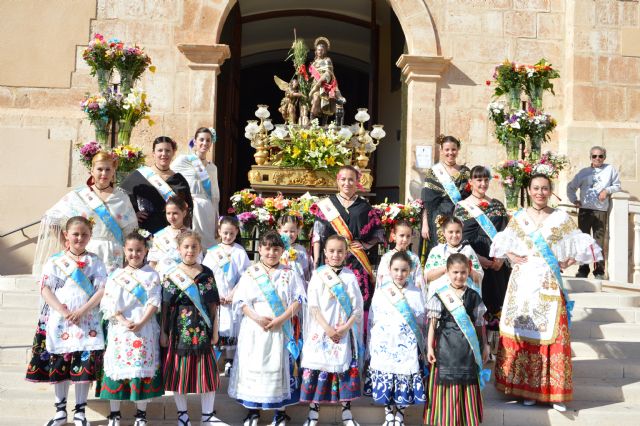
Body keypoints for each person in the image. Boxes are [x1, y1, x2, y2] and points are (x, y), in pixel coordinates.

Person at [490, 174, 603, 411]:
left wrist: (569, 260)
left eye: (544, 188)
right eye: (536, 188)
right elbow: (502, 244)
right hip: (522, 281)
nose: (540, 192)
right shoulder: (519, 218)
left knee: (554, 335)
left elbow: (579, 243)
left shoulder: (560, 218)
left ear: (550, 191)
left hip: (548, 282)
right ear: (529, 191)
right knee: (524, 332)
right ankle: (528, 389)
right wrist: (511, 256)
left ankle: (553, 393)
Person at [26, 216, 107, 426]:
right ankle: (60, 410)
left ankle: (80, 411)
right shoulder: (54, 261)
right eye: (76, 234)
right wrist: (62, 310)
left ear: (90, 236)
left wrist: (82, 310)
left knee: (83, 365)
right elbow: (45, 288)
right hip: (59, 320)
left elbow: (101, 290)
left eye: (84, 234)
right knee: (60, 363)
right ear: (66, 235)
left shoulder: (95, 261)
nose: (80, 238)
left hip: (86, 319)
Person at [228, 231, 306, 426]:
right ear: (260, 249)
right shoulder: (250, 273)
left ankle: (280, 413)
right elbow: (241, 301)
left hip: (281, 328)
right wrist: (256, 318)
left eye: (276, 249)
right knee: (255, 367)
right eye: (267, 248)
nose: (271, 252)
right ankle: (253, 412)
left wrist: (281, 319)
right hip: (255, 328)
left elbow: (299, 300)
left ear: (282, 251)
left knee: (279, 368)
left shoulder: (289, 273)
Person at [33, 151, 137, 275]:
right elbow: (51, 217)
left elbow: (131, 231)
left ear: (114, 171)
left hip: (114, 255)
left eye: (108, 169)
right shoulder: (79, 196)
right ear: (92, 171)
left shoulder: (121, 197)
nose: (104, 173)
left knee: (110, 292)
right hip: (85, 251)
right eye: (100, 169)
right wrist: (66, 243)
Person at [99, 231, 163, 426]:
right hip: (120, 330)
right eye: (130, 250)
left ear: (146, 251)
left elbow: (154, 301)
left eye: (139, 250)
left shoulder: (152, 275)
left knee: (140, 371)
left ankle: (141, 414)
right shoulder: (116, 275)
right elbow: (108, 301)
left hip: (144, 329)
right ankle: (115, 414)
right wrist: (122, 320)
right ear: (124, 251)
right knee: (116, 371)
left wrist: (142, 322)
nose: (134, 254)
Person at [299, 235, 363, 426]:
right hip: (321, 330)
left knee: (343, 370)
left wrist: (345, 327)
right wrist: (327, 329)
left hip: (343, 332)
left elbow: (357, 307)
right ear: (325, 252)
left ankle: (346, 413)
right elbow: (313, 306)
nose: (336, 255)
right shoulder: (318, 275)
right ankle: (313, 413)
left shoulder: (350, 277)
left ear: (346, 253)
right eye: (332, 251)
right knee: (318, 369)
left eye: (340, 251)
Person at [161, 230, 221, 426]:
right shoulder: (172, 274)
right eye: (186, 247)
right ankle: (183, 415)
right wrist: (163, 332)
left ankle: (207, 416)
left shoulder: (206, 273)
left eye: (194, 246)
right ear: (179, 249)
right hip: (178, 329)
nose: (190, 250)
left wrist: (215, 331)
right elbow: (165, 305)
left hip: (203, 328)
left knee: (209, 375)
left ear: (200, 248)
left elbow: (213, 304)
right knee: (179, 374)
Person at [424, 253, 489, 426]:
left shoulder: (474, 296)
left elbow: (480, 324)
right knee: (446, 383)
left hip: (467, 349)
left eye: (463, 272)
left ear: (468, 272)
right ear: (447, 272)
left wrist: (486, 346)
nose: (459, 276)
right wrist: (429, 347)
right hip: (445, 347)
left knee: (467, 382)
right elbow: (432, 324)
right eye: (455, 272)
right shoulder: (440, 296)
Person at [365, 251, 426, 426]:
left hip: (406, 344)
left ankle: (399, 413)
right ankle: (388, 414)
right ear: (390, 270)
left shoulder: (415, 292)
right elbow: (374, 317)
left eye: (404, 270)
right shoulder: (382, 290)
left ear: (410, 271)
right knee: (386, 375)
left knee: (403, 377)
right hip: (385, 342)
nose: (400, 274)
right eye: (396, 270)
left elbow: (421, 319)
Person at [453, 165, 511, 353]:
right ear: (470, 182)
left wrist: (500, 258)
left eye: (486, 180)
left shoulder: (497, 205)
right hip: (473, 262)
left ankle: (496, 348)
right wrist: (478, 259)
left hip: (497, 264)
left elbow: (506, 234)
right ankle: (478, 346)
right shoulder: (461, 207)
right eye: (478, 180)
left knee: (497, 300)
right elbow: (460, 237)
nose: (482, 183)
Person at [312, 165, 383, 309]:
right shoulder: (327, 204)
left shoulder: (364, 206)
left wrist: (366, 245)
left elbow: (378, 232)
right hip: (332, 257)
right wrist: (315, 261)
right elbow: (317, 234)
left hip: (356, 259)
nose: (347, 183)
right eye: (343, 179)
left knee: (356, 298)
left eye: (351, 179)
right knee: (330, 298)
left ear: (357, 182)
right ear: (337, 181)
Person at [202, 216, 251, 376]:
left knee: (232, 330)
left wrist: (233, 294)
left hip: (232, 298)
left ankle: (230, 362)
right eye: (225, 233)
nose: (228, 236)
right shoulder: (212, 252)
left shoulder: (240, 251)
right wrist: (216, 295)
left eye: (231, 233)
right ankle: (215, 362)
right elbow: (207, 275)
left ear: (236, 232)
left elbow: (245, 276)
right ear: (219, 232)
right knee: (217, 327)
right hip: (217, 297)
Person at [567, 145, 621, 279]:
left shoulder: (610, 170)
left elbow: (617, 185)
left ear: (604, 157)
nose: (597, 158)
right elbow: (571, 187)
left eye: (600, 156)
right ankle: (583, 270)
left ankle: (599, 272)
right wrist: (575, 200)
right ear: (590, 157)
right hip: (585, 211)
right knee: (583, 242)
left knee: (598, 242)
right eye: (594, 156)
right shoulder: (583, 172)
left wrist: (606, 190)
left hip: (600, 210)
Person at [120, 136, 193, 234]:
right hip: (145, 233)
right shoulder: (139, 176)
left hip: (173, 234)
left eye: (167, 150)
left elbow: (188, 209)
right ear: (153, 153)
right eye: (160, 150)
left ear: (173, 153)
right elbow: (121, 198)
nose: (164, 154)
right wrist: (133, 215)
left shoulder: (179, 180)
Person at [420, 135, 470, 256]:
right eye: (447, 150)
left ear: (458, 150)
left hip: (459, 216)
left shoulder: (465, 172)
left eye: (453, 149)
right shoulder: (434, 172)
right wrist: (425, 224)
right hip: (437, 218)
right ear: (441, 151)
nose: (450, 153)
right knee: (440, 251)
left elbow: (470, 198)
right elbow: (426, 201)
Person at [171, 128, 221, 249]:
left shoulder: (212, 167)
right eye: (201, 139)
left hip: (207, 209)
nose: (205, 143)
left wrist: (216, 218)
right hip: (191, 208)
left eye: (208, 140)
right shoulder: (184, 160)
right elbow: (169, 176)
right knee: (191, 242)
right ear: (195, 141)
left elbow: (215, 195)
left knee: (207, 244)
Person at [424, 217, 483, 296]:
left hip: (464, 296)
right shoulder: (436, 251)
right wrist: (447, 268)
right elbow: (427, 277)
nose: (454, 235)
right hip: (442, 296)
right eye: (450, 232)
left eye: (458, 232)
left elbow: (478, 278)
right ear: (444, 233)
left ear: (462, 232)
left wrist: (467, 267)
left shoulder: (468, 251)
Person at [147, 195, 192, 273]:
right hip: (163, 279)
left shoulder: (192, 235)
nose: (171, 217)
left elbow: (197, 260)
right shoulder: (159, 236)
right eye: (168, 213)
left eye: (175, 213)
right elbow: (153, 262)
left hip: (186, 278)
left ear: (184, 213)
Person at [376, 219, 424, 289]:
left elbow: (419, 279)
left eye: (408, 236)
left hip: (410, 294)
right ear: (394, 236)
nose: (405, 239)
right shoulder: (386, 257)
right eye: (401, 235)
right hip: (391, 295)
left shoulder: (414, 258)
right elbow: (381, 280)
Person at [308, 37, 345, 121]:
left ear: (324, 51)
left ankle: (325, 124)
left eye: (321, 50)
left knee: (325, 103)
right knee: (316, 100)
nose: (320, 51)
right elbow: (311, 76)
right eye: (318, 50)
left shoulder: (327, 60)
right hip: (315, 85)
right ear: (316, 51)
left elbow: (330, 73)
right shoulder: (314, 62)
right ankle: (311, 121)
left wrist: (332, 85)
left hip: (326, 84)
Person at [279, 214, 312, 283]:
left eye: (292, 231)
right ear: (279, 231)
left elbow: (306, 271)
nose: (289, 234)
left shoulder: (301, 250)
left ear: (298, 231)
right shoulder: (276, 249)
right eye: (285, 231)